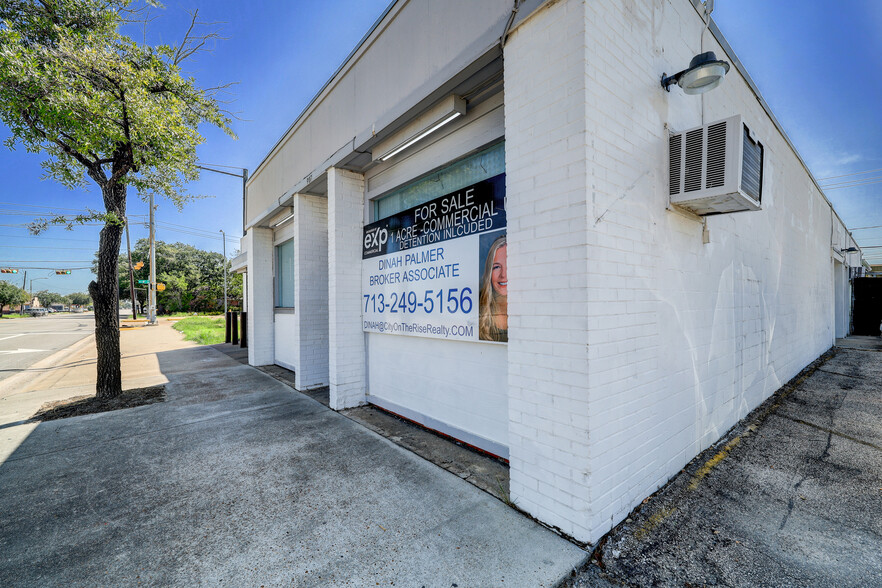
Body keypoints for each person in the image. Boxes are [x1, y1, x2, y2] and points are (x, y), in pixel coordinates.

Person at [479, 234, 507, 342]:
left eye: (509, 265)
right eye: (497, 267)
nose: (503, 275)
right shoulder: (481, 310)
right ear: (489, 273)